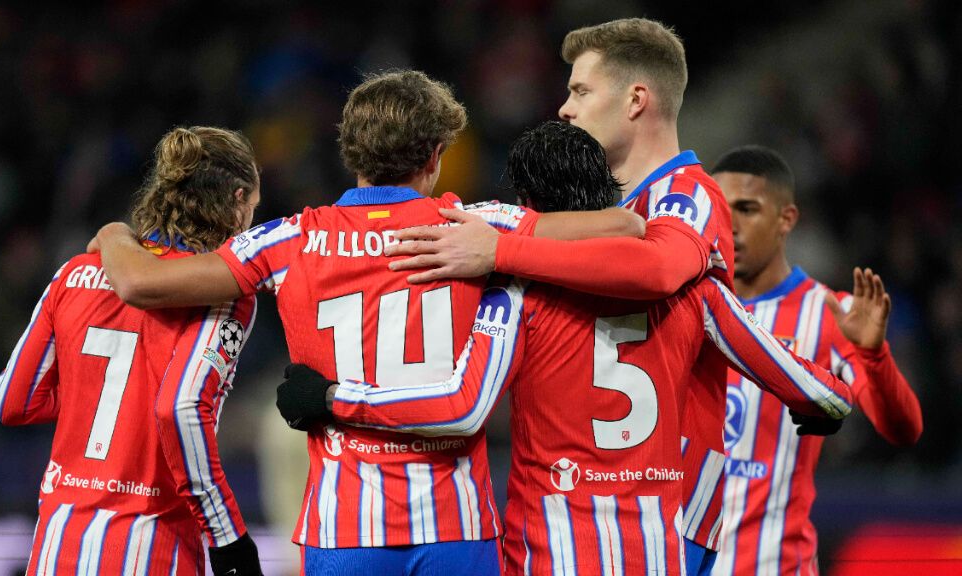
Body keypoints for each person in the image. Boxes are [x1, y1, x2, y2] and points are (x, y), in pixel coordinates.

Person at [91, 71, 644, 575]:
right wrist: (501, 248)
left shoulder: (290, 239)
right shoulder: (471, 225)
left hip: (343, 530)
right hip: (457, 527)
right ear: (434, 156)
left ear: (350, 152)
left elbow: (140, 284)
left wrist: (115, 232)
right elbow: (623, 227)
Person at [277, 121, 854, 575]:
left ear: (527, 204)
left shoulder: (515, 293)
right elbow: (807, 384)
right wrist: (826, 401)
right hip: (654, 546)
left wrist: (334, 398)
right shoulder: (693, 286)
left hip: (547, 547)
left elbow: (460, 407)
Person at [380, 18, 734, 574]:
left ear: (637, 99)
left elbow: (659, 268)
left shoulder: (686, 194)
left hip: (669, 500)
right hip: (582, 497)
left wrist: (500, 252)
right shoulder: (597, 210)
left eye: (581, 90)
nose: (566, 108)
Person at [0, 126, 264, 575]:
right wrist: (227, 536)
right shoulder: (224, 295)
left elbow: (12, 402)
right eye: (253, 207)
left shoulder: (73, 274)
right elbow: (180, 409)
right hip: (153, 543)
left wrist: (87, 392)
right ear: (236, 201)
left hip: (57, 543)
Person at [708, 145, 923, 576]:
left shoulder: (829, 313)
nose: (729, 224)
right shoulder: (694, 305)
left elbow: (903, 429)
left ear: (786, 219)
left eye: (747, 208)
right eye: (720, 208)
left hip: (774, 565)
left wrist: (873, 355)